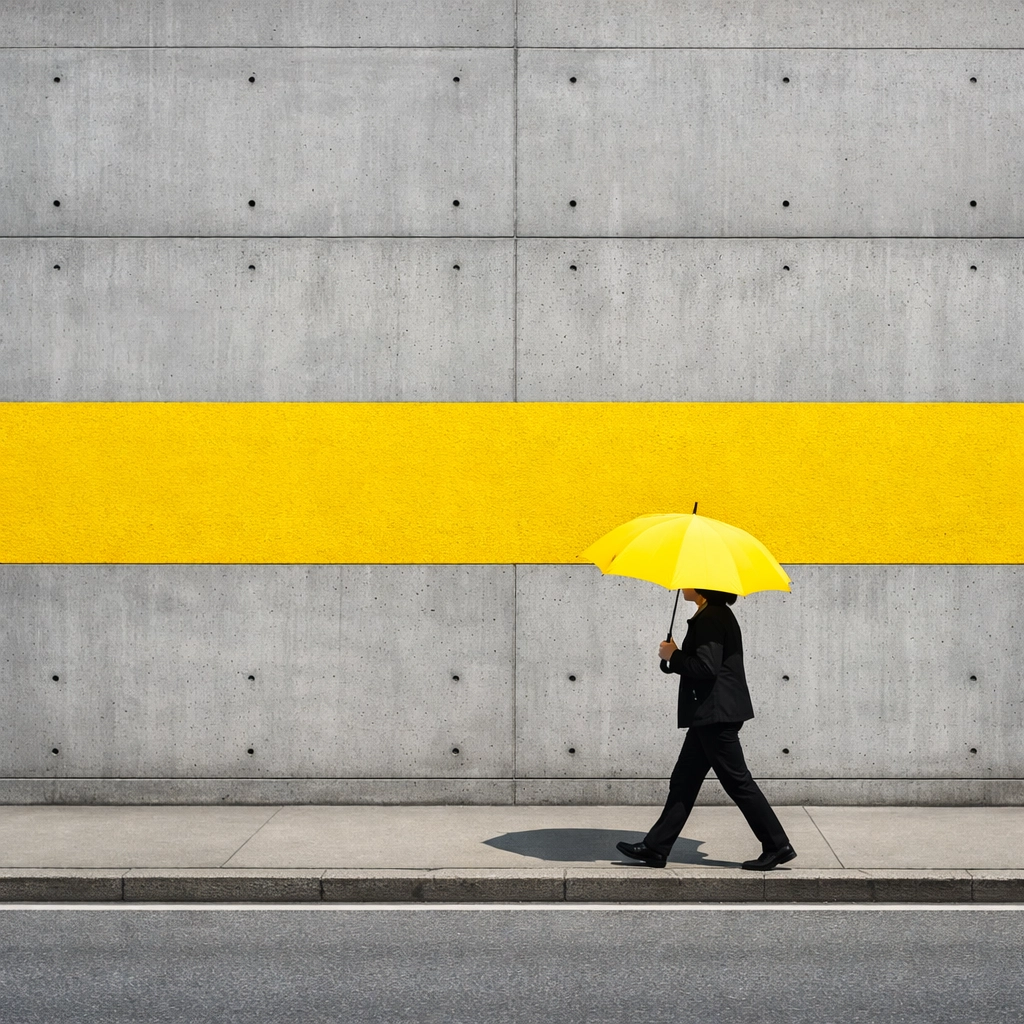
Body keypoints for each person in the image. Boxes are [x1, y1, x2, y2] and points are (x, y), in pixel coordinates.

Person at [615, 587, 797, 870]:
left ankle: (777, 845)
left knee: (738, 782)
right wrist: (672, 658)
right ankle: (655, 848)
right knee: (684, 781)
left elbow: (706, 667)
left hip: (716, 714)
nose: (683, 584)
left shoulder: (712, 617)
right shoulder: (709, 614)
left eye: (688, 579)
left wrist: (673, 655)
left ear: (701, 586)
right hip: (710, 714)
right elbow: (703, 664)